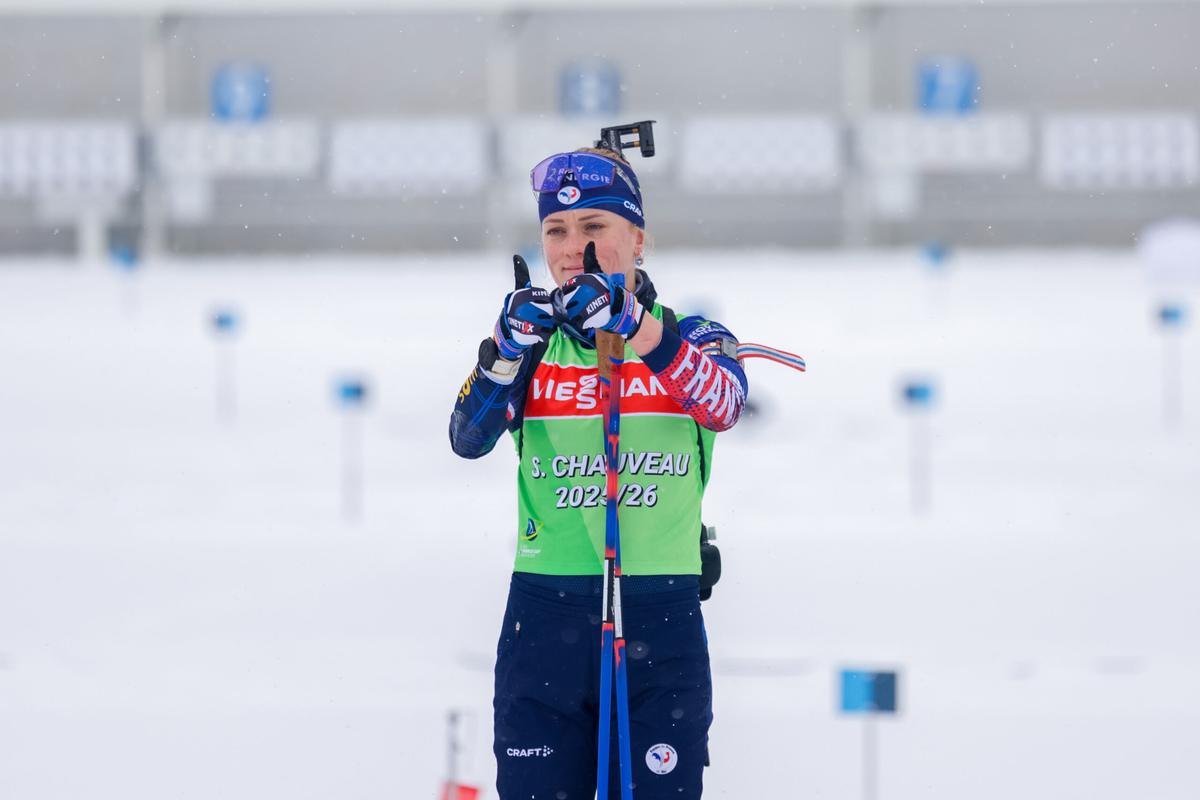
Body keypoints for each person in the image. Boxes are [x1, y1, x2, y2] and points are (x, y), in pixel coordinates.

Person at [449, 145, 748, 799]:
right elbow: (468, 438)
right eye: (556, 230)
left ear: (635, 238)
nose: (570, 247)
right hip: (545, 618)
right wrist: (502, 351)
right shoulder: (536, 346)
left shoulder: (689, 334)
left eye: (593, 228)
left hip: (657, 618)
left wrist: (636, 329)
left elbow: (724, 403)